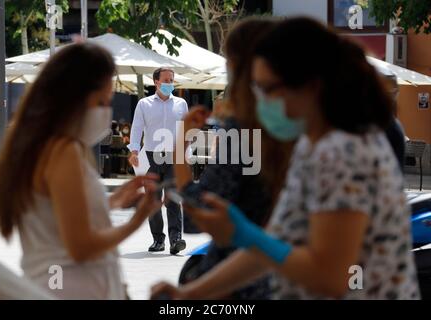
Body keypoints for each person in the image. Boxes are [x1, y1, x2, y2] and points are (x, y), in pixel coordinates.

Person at [152, 17, 420, 300]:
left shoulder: (345, 150)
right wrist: (192, 293)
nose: (261, 100)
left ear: (310, 85)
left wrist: (244, 234)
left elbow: (330, 276)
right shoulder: (312, 145)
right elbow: (273, 246)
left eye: (268, 89)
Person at [0, 43, 162, 299]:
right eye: (103, 101)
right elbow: (80, 247)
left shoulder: (41, 145)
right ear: (77, 97)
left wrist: (113, 202)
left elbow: (57, 217)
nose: (107, 111)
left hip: (55, 283)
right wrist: (137, 221)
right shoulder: (63, 150)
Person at [172, 17, 293, 299]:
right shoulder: (297, 130)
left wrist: (182, 142)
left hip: (235, 285)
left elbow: (198, 215)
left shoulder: (242, 129)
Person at [127, 67, 188, 255]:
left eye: (172, 80)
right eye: (166, 80)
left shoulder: (181, 103)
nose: (170, 83)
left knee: (173, 199)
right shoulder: (144, 104)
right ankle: (158, 240)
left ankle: (175, 239)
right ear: (156, 82)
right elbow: (137, 128)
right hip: (152, 156)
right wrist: (134, 150)